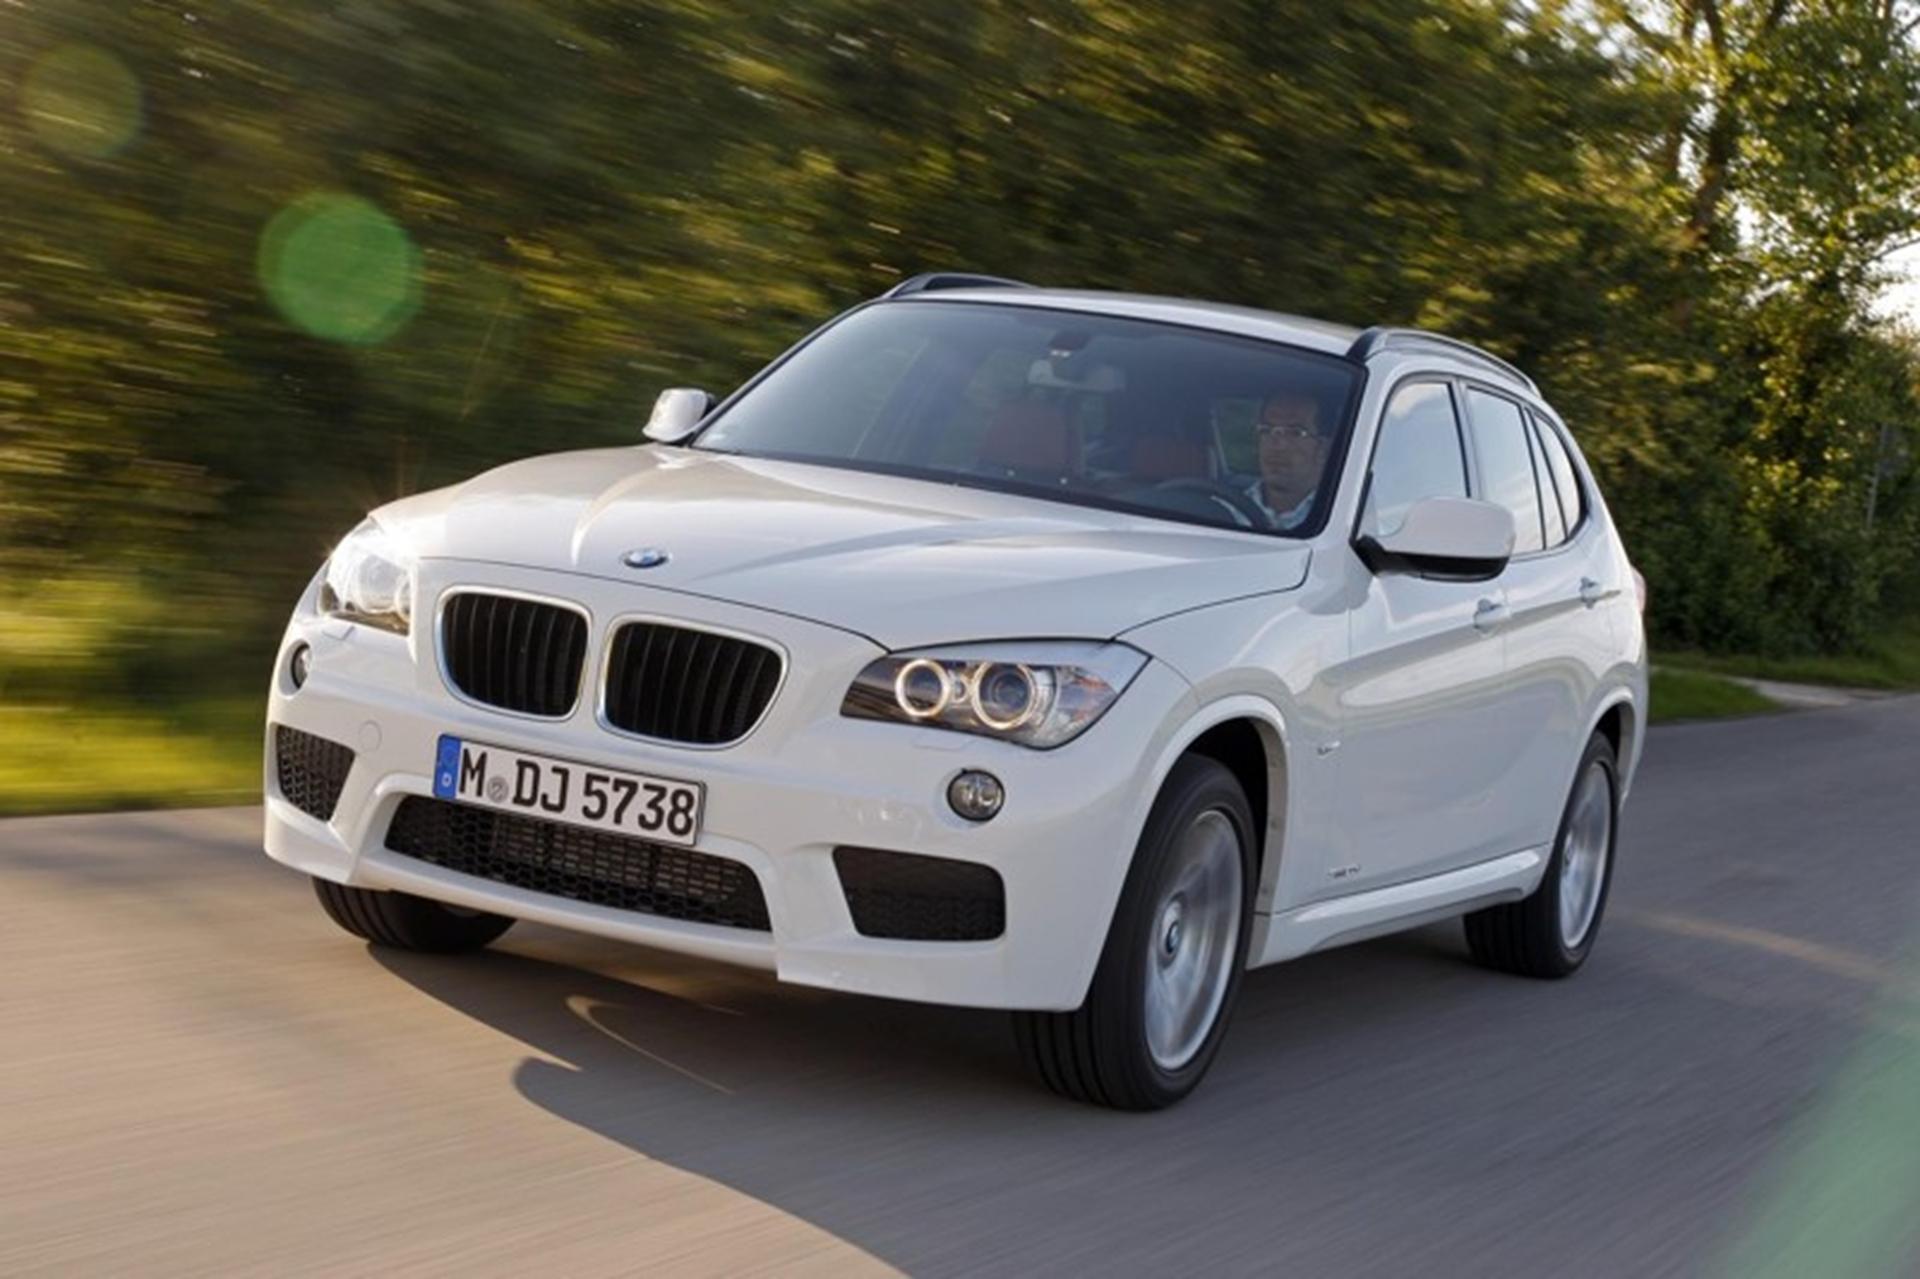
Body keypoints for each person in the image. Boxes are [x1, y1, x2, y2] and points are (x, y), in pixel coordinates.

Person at [1245, 393, 1329, 529]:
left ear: (1322, 448)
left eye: (1295, 432)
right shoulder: (1227, 510)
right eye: (1267, 430)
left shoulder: (1339, 517)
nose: (1278, 446)